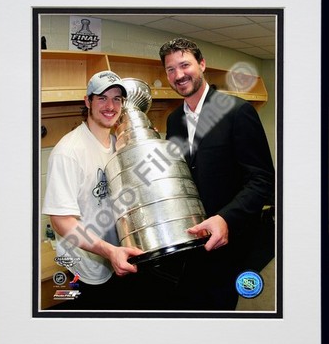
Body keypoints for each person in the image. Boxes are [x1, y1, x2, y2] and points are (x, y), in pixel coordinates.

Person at [155, 37, 275, 310]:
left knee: (219, 308)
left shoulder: (237, 111)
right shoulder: (174, 120)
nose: (178, 75)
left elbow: (262, 180)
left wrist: (225, 218)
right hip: (190, 240)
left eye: (185, 65)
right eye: (170, 69)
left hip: (229, 240)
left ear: (202, 65)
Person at [42, 70, 143, 310]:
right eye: (102, 98)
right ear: (87, 101)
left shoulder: (117, 144)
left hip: (118, 254)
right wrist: (108, 251)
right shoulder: (69, 151)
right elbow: (61, 221)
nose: (111, 106)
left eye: (117, 99)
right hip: (87, 267)